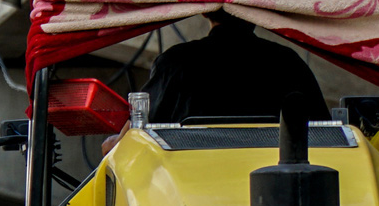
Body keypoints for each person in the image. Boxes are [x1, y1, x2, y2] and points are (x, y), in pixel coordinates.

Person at [139, 10, 327, 125]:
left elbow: (140, 132)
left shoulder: (174, 62)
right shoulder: (288, 62)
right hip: (273, 184)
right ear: (257, 9)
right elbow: (326, 132)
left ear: (204, 10)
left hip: (189, 184)